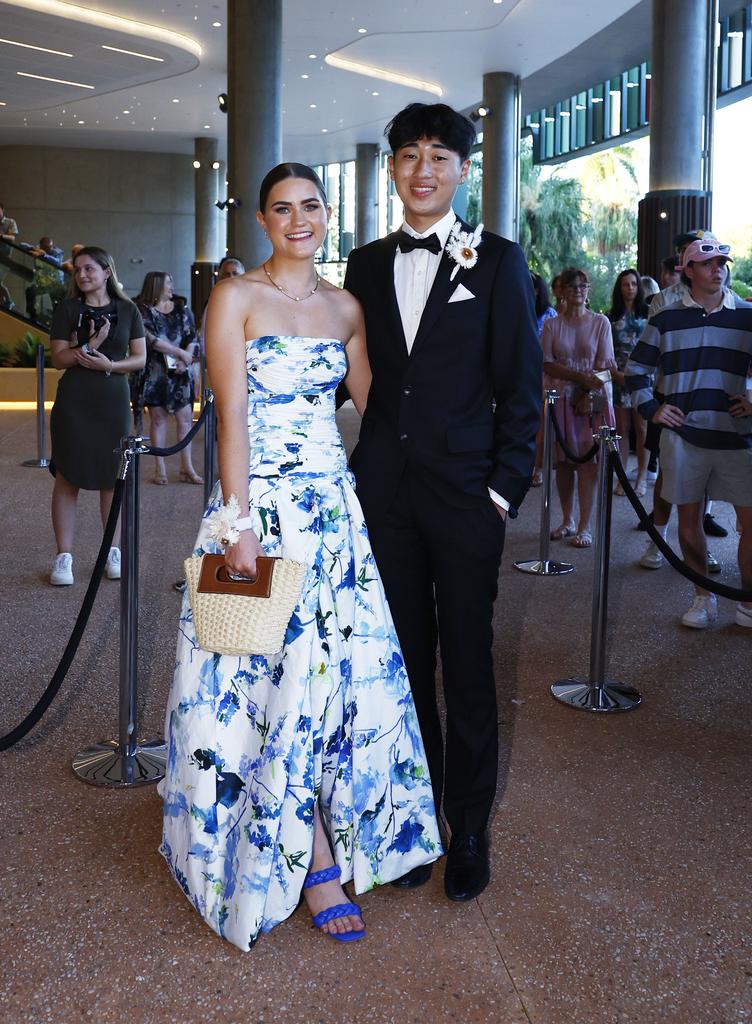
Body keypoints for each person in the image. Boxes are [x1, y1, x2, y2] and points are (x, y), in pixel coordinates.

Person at [159, 162, 441, 952]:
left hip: (334, 514)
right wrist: (239, 521)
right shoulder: (235, 298)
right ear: (261, 219)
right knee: (266, 681)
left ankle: (342, 827)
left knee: (337, 679)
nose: (298, 219)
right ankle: (312, 858)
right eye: (281, 208)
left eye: (311, 205)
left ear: (327, 213)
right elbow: (231, 418)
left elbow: (378, 407)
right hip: (262, 513)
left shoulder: (347, 307)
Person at [344, 102, 542, 903]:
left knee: (466, 667)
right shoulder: (360, 263)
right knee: (400, 669)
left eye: (439, 156)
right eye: (408, 156)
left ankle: (470, 830)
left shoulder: (497, 261)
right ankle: (415, 825)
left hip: (466, 500)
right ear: (391, 169)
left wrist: (500, 492)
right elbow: (358, 377)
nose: (423, 170)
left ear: (462, 170)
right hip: (385, 498)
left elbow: (520, 390)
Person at [626, 236, 752, 629]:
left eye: (722, 264)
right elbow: (635, 372)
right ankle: (703, 599)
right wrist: (653, 409)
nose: (719, 270)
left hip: (737, 437)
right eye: (709, 263)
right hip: (684, 437)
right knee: (688, 519)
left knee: (750, 523)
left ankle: (747, 604)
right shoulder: (665, 318)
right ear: (688, 270)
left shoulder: (748, 315)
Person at [48, 246, 146, 586]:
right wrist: (90, 345)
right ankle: (64, 556)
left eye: (89, 268)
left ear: (107, 271)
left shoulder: (128, 309)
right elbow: (60, 359)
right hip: (75, 400)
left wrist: (110, 365)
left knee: (111, 476)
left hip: (113, 399)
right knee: (67, 476)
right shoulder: (68, 308)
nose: (82, 275)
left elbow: (140, 359)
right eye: (78, 270)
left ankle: (112, 551)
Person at [541, 267, 616, 547]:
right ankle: (567, 519)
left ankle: (585, 526)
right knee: (563, 464)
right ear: (560, 290)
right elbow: (546, 362)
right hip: (560, 398)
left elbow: (605, 365)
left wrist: (587, 390)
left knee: (588, 464)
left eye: (583, 286)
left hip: (593, 400)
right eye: (571, 286)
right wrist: (578, 378)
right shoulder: (552, 325)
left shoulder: (600, 323)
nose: (578, 291)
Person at [135, 271, 202, 485]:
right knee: (158, 419)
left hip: (181, 372)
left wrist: (186, 358)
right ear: (155, 286)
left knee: (184, 419)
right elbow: (151, 340)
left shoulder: (181, 309)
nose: (171, 287)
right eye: (167, 283)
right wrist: (179, 353)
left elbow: (191, 335)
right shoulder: (143, 311)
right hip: (157, 373)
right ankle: (160, 468)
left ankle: (187, 468)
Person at [607, 268, 649, 497]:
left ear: (638, 287)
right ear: (619, 288)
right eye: (625, 284)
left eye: (633, 284)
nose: (630, 288)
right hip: (619, 376)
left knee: (642, 428)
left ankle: (641, 477)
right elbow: (606, 350)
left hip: (643, 378)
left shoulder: (648, 314)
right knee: (621, 429)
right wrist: (615, 373)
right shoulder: (612, 315)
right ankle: (622, 478)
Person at [530, 272, 557, 487]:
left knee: (539, 426)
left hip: (542, 376)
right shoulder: (517, 308)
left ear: (538, 290)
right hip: (519, 374)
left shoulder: (550, 315)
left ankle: (538, 468)